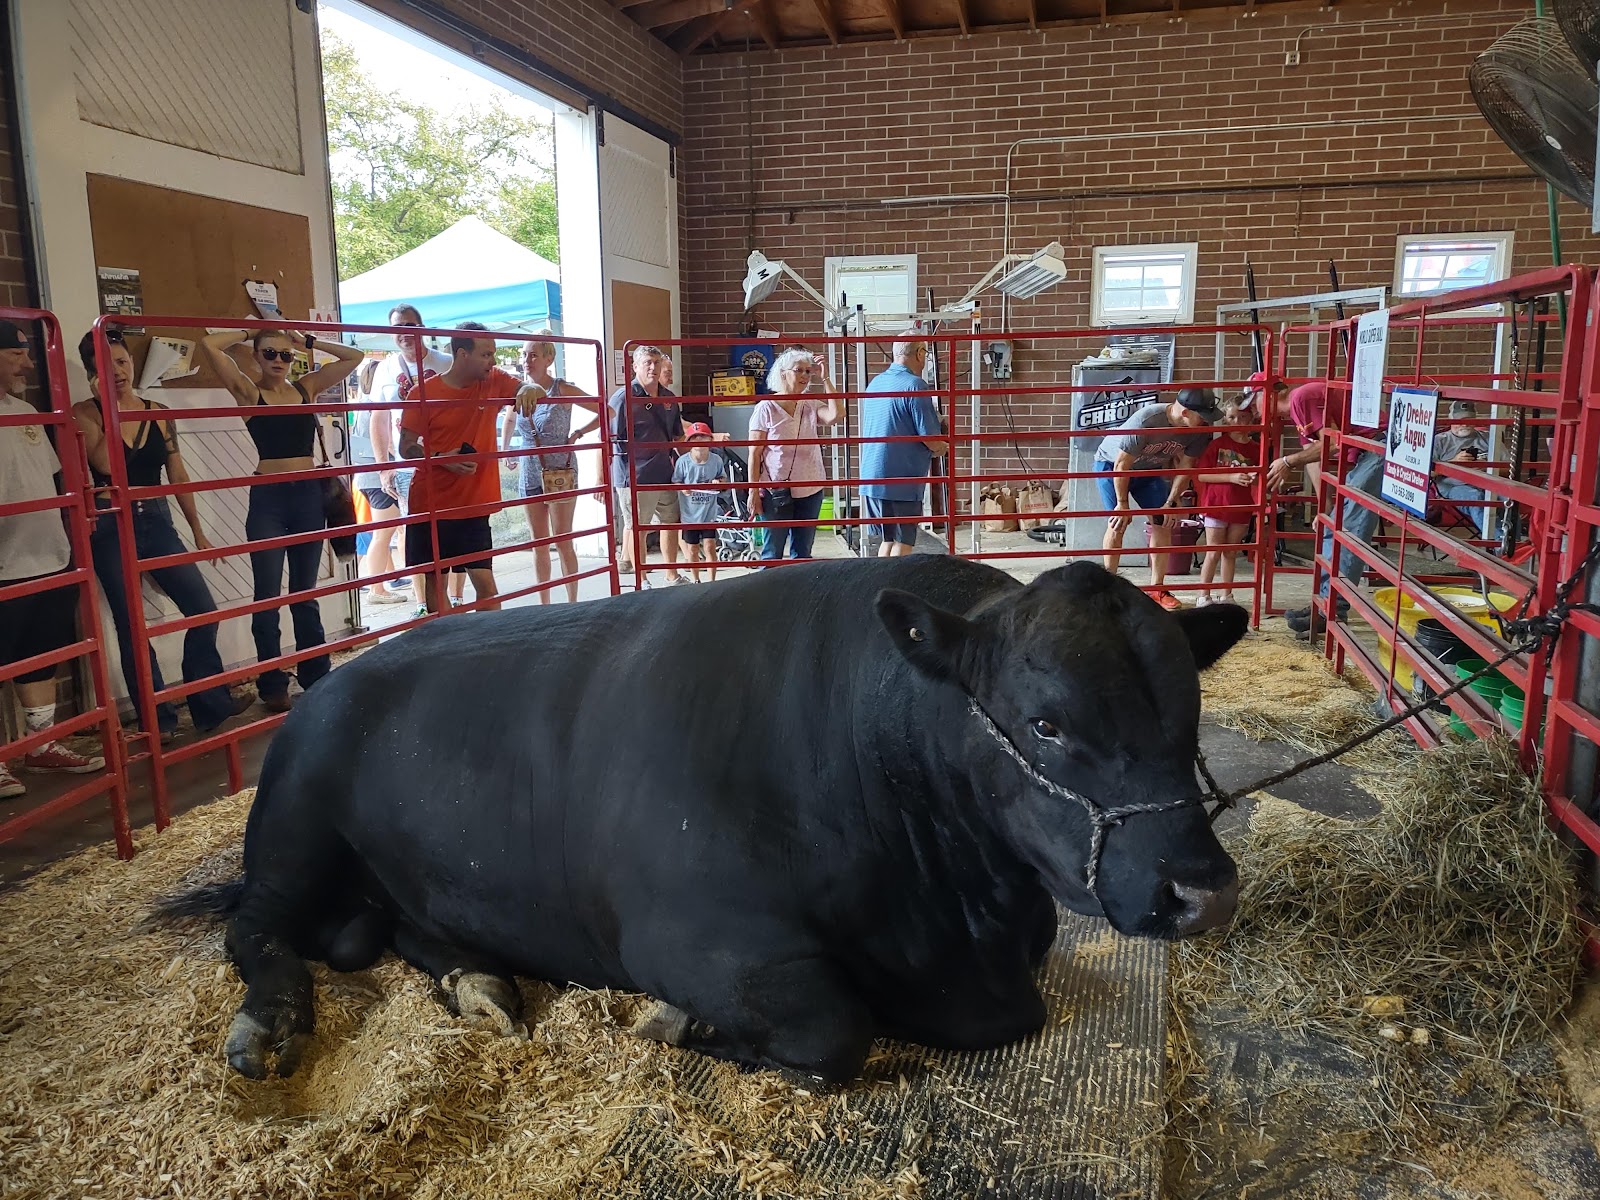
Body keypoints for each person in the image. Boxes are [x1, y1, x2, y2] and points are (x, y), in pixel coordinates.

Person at [72, 330, 252, 740]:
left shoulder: (158, 411)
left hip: (156, 517)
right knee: (131, 624)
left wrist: (197, 530)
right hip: (111, 521)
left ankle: (208, 704)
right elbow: (106, 464)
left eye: (122, 361)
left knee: (203, 610)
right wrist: (110, 408)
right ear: (91, 373)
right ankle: (158, 721)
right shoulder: (85, 413)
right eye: (105, 366)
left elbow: (177, 472)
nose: (117, 371)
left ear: (132, 363)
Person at [196, 325, 364, 712]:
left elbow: (354, 357)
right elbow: (208, 344)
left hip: (307, 497)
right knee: (267, 595)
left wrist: (307, 342)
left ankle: (316, 676)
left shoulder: (306, 388)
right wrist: (249, 330)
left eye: (285, 355)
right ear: (256, 356)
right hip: (268, 498)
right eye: (269, 353)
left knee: (304, 594)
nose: (278, 361)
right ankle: (272, 684)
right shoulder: (248, 391)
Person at [0, 320, 105, 799]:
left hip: (49, 555)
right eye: (16, 354)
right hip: (5, 565)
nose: (27, 364)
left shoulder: (25, 413)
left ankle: (41, 742)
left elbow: (54, 477)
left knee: (41, 655)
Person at [398, 322, 517, 614]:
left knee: (485, 583)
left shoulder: (494, 380)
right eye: (486, 354)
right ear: (463, 354)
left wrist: (530, 390)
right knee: (436, 582)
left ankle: (492, 641)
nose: (492, 360)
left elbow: (530, 386)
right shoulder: (423, 393)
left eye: (493, 353)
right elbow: (406, 446)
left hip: (473, 505)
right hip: (432, 502)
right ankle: (444, 641)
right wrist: (442, 458)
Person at [1266, 379, 1385, 638]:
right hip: (1369, 451)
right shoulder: (1298, 410)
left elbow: (1332, 443)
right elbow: (1313, 455)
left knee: (1348, 531)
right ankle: (1324, 603)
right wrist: (1326, 507)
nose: (1252, 411)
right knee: (1335, 526)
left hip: (1378, 447)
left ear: (1273, 395)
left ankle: (1332, 609)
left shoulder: (1302, 397)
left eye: (1254, 402)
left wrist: (1288, 461)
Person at [1092, 387, 1221, 611]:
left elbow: (1186, 466)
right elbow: (1121, 465)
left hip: (1148, 469)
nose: (1206, 421)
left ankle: (1157, 589)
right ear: (1185, 413)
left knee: (1163, 521)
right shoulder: (1147, 421)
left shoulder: (1199, 431)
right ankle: (1109, 589)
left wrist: (1172, 500)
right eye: (1202, 416)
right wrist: (1122, 504)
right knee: (1118, 522)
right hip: (1111, 464)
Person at [502, 335, 601, 604]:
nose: (527, 360)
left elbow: (605, 410)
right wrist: (506, 448)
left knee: (563, 539)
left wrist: (578, 433)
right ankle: (543, 604)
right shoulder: (518, 390)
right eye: (524, 355)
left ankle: (572, 603)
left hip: (560, 469)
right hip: (529, 469)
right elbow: (510, 417)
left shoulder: (562, 389)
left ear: (549, 358)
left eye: (533, 355)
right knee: (539, 542)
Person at [372, 304, 451, 617]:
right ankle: (423, 605)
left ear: (422, 327)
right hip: (407, 465)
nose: (405, 333)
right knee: (414, 533)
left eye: (410, 326)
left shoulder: (445, 362)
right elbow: (378, 418)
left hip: (445, 460)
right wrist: (384, 467)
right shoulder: (385, 369)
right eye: (398, 328)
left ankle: (448, 600)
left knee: (448, 527)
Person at [749, 348, 846, 561]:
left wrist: (826, 378)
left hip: (811, 488)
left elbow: (837, 414)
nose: (804, 375)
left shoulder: (810, 404)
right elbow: (754, 453)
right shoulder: (766, 408)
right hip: (775, 490)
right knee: (772, 553)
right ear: (783, 373)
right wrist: (753, 491)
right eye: (798, 370)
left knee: (803, 554)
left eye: (808, 371)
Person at [859, 340, 947, 558]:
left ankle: (881, 578)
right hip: (901, 479)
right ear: (919, 353)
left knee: (887, 540)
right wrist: (942, 447)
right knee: (903, 542)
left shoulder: (876, 383)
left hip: (872, 477)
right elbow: (930, 437)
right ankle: (897, 580)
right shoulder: (915, 385)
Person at [609, 345, 684, 583]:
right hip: (635, 474)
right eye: (647, 363)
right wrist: (602, 476)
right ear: (635, 367)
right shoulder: (623, 398)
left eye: (656, 362)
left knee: (671, 522)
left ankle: (671, 575)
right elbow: (609, 438)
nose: (653, 367)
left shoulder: (668, 398)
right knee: (637, 527)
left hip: (664, 471)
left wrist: (690, 464)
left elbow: (678, 436)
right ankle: (642, 581)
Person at [349, 357, 407, 604]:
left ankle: (385, 582)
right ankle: (377, 589)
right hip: (380, 477)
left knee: (386, 532)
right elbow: (390, 441)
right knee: (383, 535)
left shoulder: (361, 405)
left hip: (365, 476)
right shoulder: (378, 405)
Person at [1191, 397, 1258, 607]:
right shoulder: (1217, 445)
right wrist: (1231, 477)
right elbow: (1202, 475)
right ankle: (1203, 595)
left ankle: (1226, 595)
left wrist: (1254, 478)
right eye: (1232, 417)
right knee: (1213, 551)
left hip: (1241, 507)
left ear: (1252, 419)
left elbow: (1260, 475)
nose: (1237, 421)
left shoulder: (1256, 448)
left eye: (1243, 417)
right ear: (1226, 419)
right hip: (1216, 505)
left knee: (1230, 552)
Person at [673, 423, 727, 582]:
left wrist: (719, 482)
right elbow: (676, 481)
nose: (699, 440)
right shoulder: (683, 462)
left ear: (710, 440)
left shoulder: (716, 460)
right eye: (694, 437)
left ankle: (712, 581)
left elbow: (723, 479)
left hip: (709, 512)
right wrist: (683, 488)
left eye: (703, 436)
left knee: (710, 546)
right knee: (692, 549)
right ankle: (696, 580)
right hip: (690, 515)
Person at [1431, 400, 1488, 506]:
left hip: (1487, 484)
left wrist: (1487, 466)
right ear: (1451, 420)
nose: (1465, 424)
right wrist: (1453, 463)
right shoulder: (1440, 440)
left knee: (1509, 498)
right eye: (1459, 420)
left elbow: (1511, 469)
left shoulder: (1488, 438)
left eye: (1469, 420)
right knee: (1475, 497)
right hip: (1454, 486)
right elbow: (1427, 474)